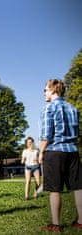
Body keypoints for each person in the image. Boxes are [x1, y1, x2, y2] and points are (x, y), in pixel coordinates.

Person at [39, 79, 82, 232]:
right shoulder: (73, 108)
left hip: (55, 151)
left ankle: (56, 224)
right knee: (78, 188)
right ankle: (81, 221)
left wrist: (40, 152)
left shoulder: (48, 108)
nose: (44, 93)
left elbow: (46, 136)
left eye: (45, 90)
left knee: (55, 189)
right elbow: (77, 132)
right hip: (73, 151)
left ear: (53, 90)